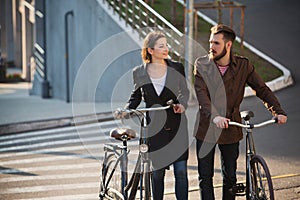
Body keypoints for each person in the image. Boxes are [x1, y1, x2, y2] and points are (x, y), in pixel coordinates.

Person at [193, 24, 287, 200]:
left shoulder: (244, 66)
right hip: (207, 127)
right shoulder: (202, 64)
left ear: (228, 45)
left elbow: (262, 89)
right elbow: (202, 95)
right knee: (205, 177)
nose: (211, 47)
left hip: (231, 126)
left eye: (216, 43)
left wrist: (278, 111)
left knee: (230, 177)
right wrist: (215, 116)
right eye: (210, 42)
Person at [124, 31, 189, 200]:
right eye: (161, 46)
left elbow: (184, 92)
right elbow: (136, 96)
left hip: (177, 126)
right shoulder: (139, 72)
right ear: (150, 50)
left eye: (166, 45)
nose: (166, 49)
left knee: (181, 172)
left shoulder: (177, 67)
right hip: (154, 128)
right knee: (158, 173)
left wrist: (182, 104)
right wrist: (127, 109)